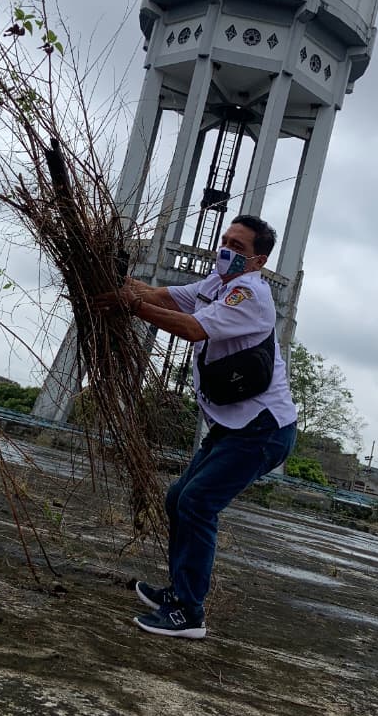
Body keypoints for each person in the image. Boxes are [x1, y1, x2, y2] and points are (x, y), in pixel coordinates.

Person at [97, 215, 297, 639]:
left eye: (238, 247)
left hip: (263, 429)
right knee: (178, 499)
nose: (225, 249)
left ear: (258, 260)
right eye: (225, 240)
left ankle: (189, 612)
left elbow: (192, 328)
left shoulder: (250, 295)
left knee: (198, 504)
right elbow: (160, 296)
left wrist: (131, 306)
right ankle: (178, 592)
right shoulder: (217, 283)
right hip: (236, 425)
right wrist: (115, 276)